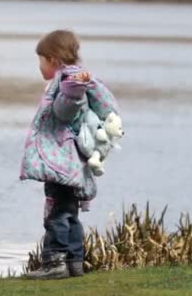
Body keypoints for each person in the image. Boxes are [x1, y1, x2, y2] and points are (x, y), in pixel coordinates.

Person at [20, 30, 119, 279]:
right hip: (74, 161)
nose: (39, 66)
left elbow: (65, 112)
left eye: (40, 60)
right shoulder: (75, 78)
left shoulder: (69, 81)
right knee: (69, 212)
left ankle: (55, 263)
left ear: (52, 59)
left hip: (62, 160)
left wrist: (72, 91)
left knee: (56, 214)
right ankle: (75, 262)